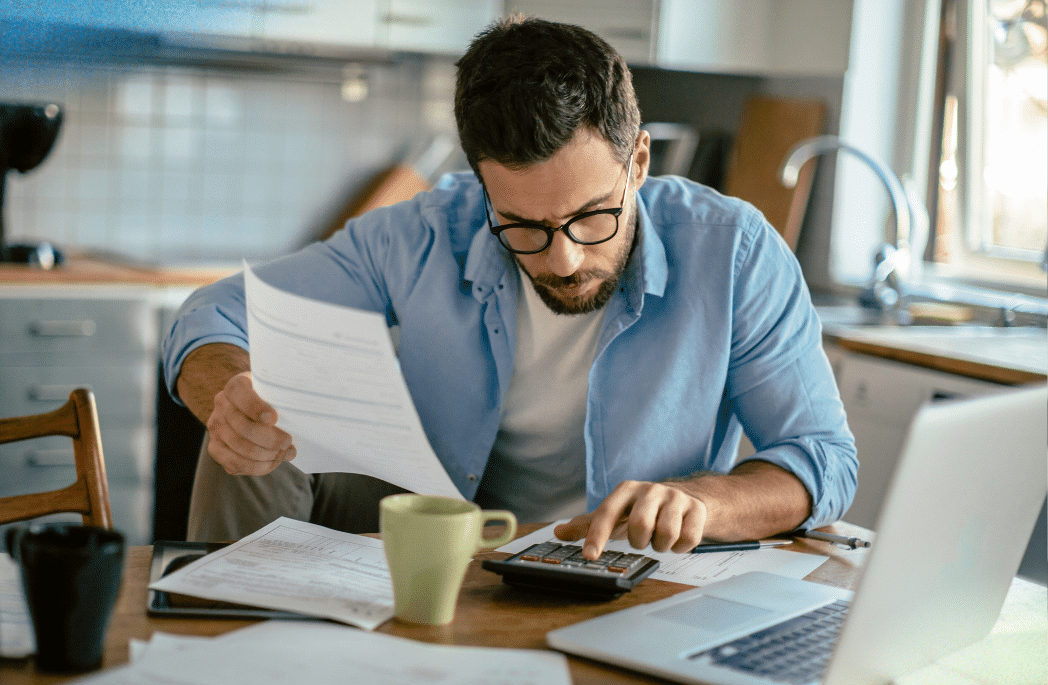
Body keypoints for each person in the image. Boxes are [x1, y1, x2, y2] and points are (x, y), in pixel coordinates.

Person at [161, 16, 858, 559]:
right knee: (254, 408)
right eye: (521, 225)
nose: (561, 258)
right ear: (482, 189)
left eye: (592, 217)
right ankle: (228, 661)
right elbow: (213, 311)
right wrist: (230, 392)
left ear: (638, 160)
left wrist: (702, 502)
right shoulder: (427, 231)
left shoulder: (733, 250)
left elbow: (821, 458)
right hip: (440, 528)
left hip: (616, 562)